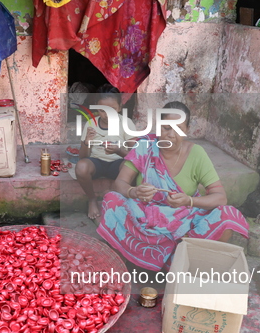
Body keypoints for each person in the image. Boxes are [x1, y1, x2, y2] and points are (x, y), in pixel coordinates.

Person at [97, 101, 249, 273]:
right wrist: (134, 191)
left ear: (186, 130)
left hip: (182, 221)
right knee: (111, 200)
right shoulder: (145, 146)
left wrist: (190, 201)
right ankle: (150, 258)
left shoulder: (196, 153)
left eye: (178, 129)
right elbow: (120, 183)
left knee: (228, 218)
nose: (170, 134)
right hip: (145, 215)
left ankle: (173, 259)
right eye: (166, 128)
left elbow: (220, 197)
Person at [76, 84, 137, 219]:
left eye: (112, 109)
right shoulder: (91, 124)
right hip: (96, 163)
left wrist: (119, 150)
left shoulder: (126, 123)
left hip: (118, 164)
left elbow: (135, 157)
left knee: (132, 167)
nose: (107, 115)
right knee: (81, 167)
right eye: (103, 110)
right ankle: (92, 199)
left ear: (120, 107)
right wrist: (87, 141)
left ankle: (115, 198)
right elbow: (82, 157)